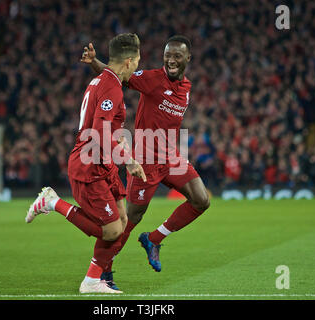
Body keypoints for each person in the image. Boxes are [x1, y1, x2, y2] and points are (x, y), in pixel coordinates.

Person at [81, 35, 210, 286]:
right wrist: (94, 61)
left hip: (171, 157)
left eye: (177, 56)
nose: (171, 60)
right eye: (167, 55)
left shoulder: (187, 88)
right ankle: (104, 269)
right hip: (145, 161)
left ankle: (154, 239)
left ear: (187, 59)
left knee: (201, 200)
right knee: (130, 218)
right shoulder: (151, 79)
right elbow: (116, 75)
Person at [25, 33, 146, 294]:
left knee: (122, 221)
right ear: (127, 62)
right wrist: (129, 160)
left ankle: (92, 281)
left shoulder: (103, 80)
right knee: (112, 230)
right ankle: (52, 202)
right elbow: (99, 131)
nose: (137, 67)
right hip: (89, 164)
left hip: (104, 162)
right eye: (136, 62)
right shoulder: (111, 87)